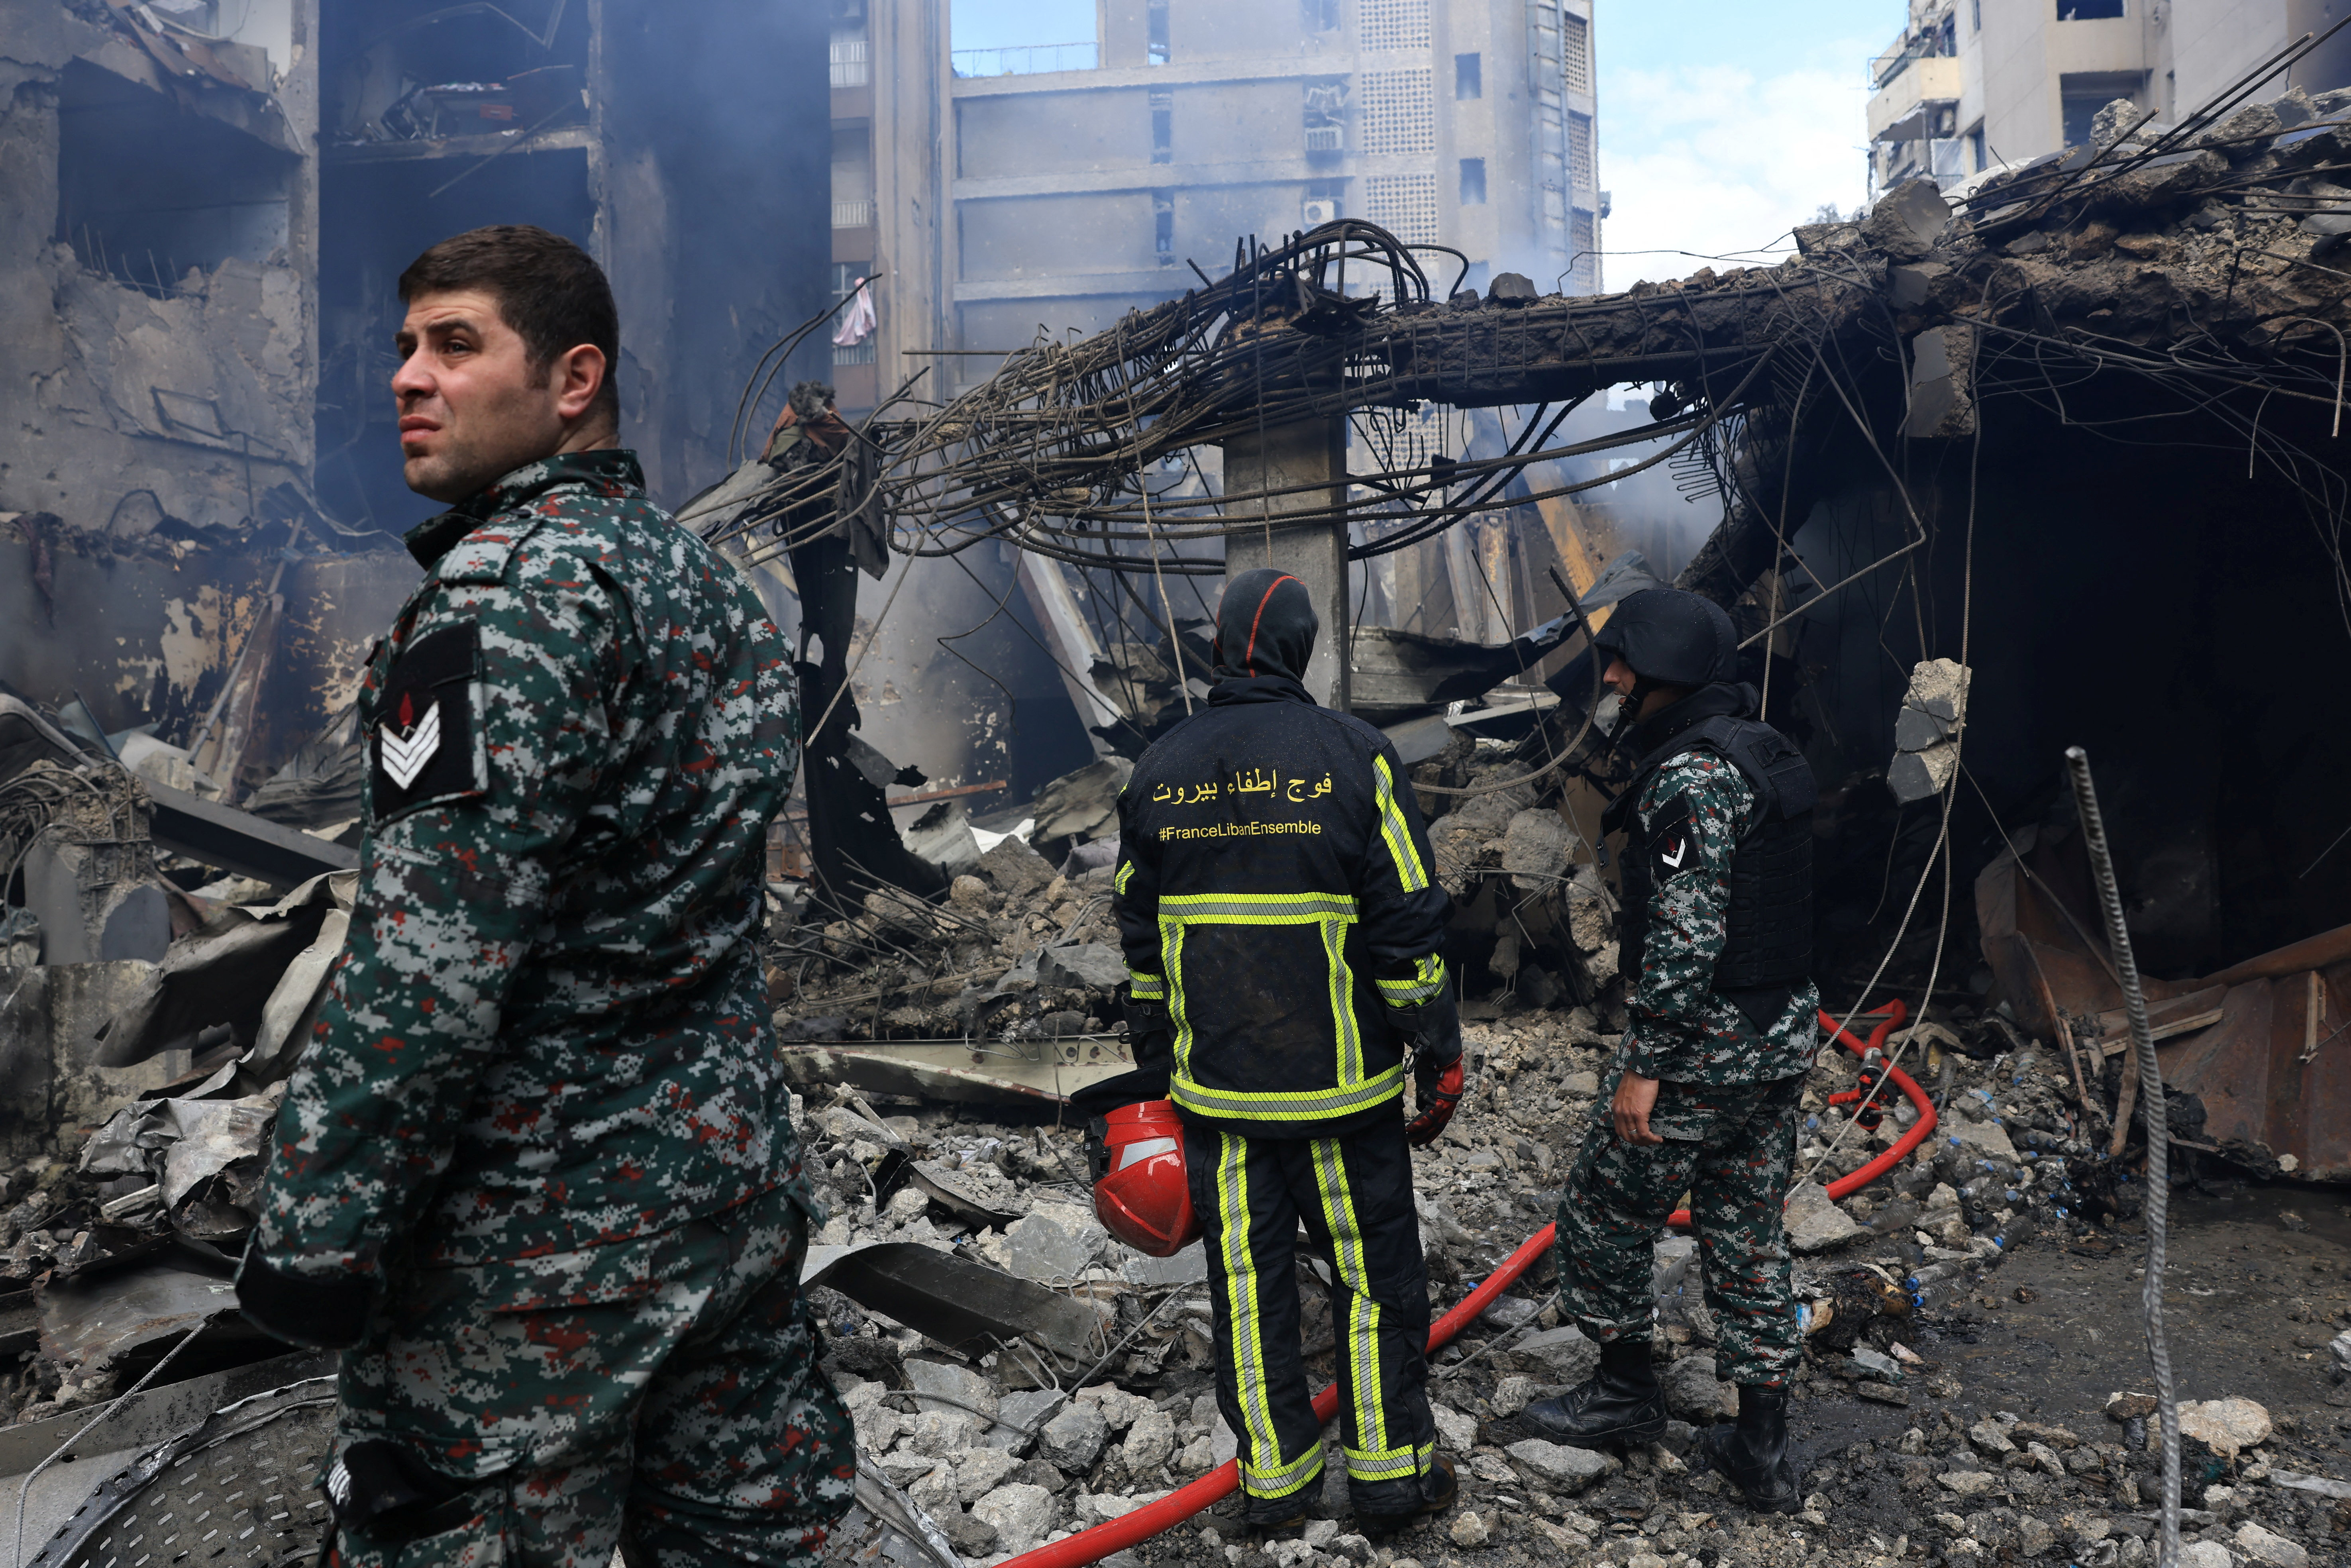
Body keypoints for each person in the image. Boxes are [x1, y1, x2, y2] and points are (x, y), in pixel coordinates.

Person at [234, 225, 852, 1568]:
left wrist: (316, 1241)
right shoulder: (700, 581)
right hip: (724, 1212)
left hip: (532, 1262)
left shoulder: (509, 595)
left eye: (455, 345)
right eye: (406, 347)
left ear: (574, 380)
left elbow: (428, 974)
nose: (408, 377)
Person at [1111, 569, 1464, 1532]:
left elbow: (1140, 942)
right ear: (1302, 652)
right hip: (1338, 1093)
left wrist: (1159, 1069)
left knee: (1245, 1283)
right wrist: (1436, 1048)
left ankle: (1273, 1485)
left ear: (1219, 649)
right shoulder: (1355, 756)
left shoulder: (1156, 768)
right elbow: (1407, 928)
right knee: (1372, 1281)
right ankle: (1389, 1479)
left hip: (1217, 1098)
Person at [1512, 587, 1819, 1515]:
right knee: (1748, 1234)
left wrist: (1645, 1066)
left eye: (1626, 664)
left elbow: (1688, 936)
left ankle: (1621, 1394)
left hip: (1700, 1048)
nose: (1610, 677)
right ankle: (1760, 1449)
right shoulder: (1761, 752)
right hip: (1776, 1039)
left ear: (1673, 673)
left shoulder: (1690, 776)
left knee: (1601, 1213)